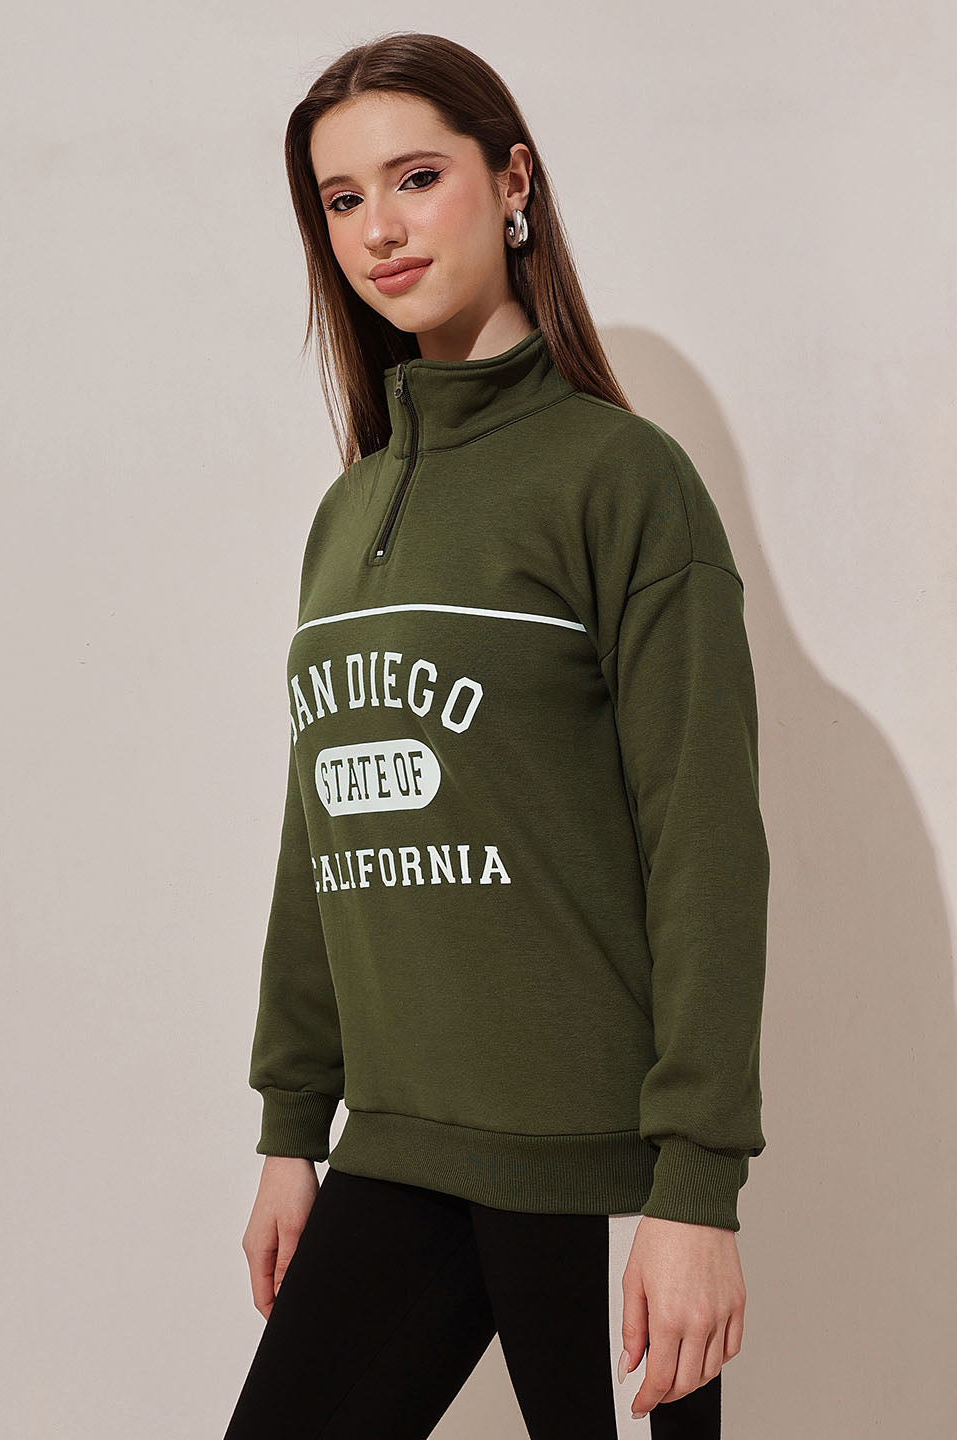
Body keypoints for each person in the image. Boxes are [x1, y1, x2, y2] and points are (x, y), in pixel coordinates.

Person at [224, 30, 769, 1440]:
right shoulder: (350, 511)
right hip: (401, 1143)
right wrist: (292, 1128)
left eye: (417, 177)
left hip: (591, 1164)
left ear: (512, 181)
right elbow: (321, 829)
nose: (380, 229)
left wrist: (695, 1188)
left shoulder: (622, 480)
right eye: (342, 198)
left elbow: (704, 843)